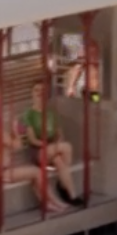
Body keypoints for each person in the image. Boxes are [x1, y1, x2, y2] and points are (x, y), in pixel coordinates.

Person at [22, 80, 80, 212]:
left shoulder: (51, 113)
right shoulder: (28, 114)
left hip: (52, 149)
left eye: (42, 91)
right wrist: (51, 146)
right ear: (32, 94)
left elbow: (59, 133)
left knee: (59, 160)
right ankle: (63, 184)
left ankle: (71, 195)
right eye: (36, 90)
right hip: (38, 150)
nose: (39, 94)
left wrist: (56, 144)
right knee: (66, 148)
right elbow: (32, 139)